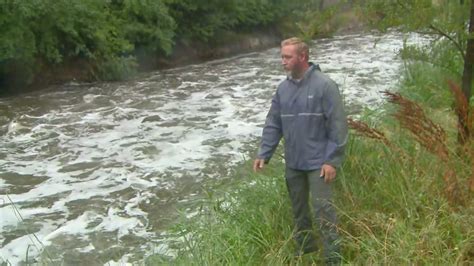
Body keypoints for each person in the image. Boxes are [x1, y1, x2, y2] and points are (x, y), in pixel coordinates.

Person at [253, 37, 348, 265]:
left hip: (319, 164)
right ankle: (307, 254)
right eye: (282, 56)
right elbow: (273, 123)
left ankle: (333, 260)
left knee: (324, 213)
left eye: (287, 57)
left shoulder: (325, 85)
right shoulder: (283, 89)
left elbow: (338, 126)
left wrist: (332, 161)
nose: (282, 61)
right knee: (299, 212)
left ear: (303, 57)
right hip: (293, 163)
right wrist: (264, 153)